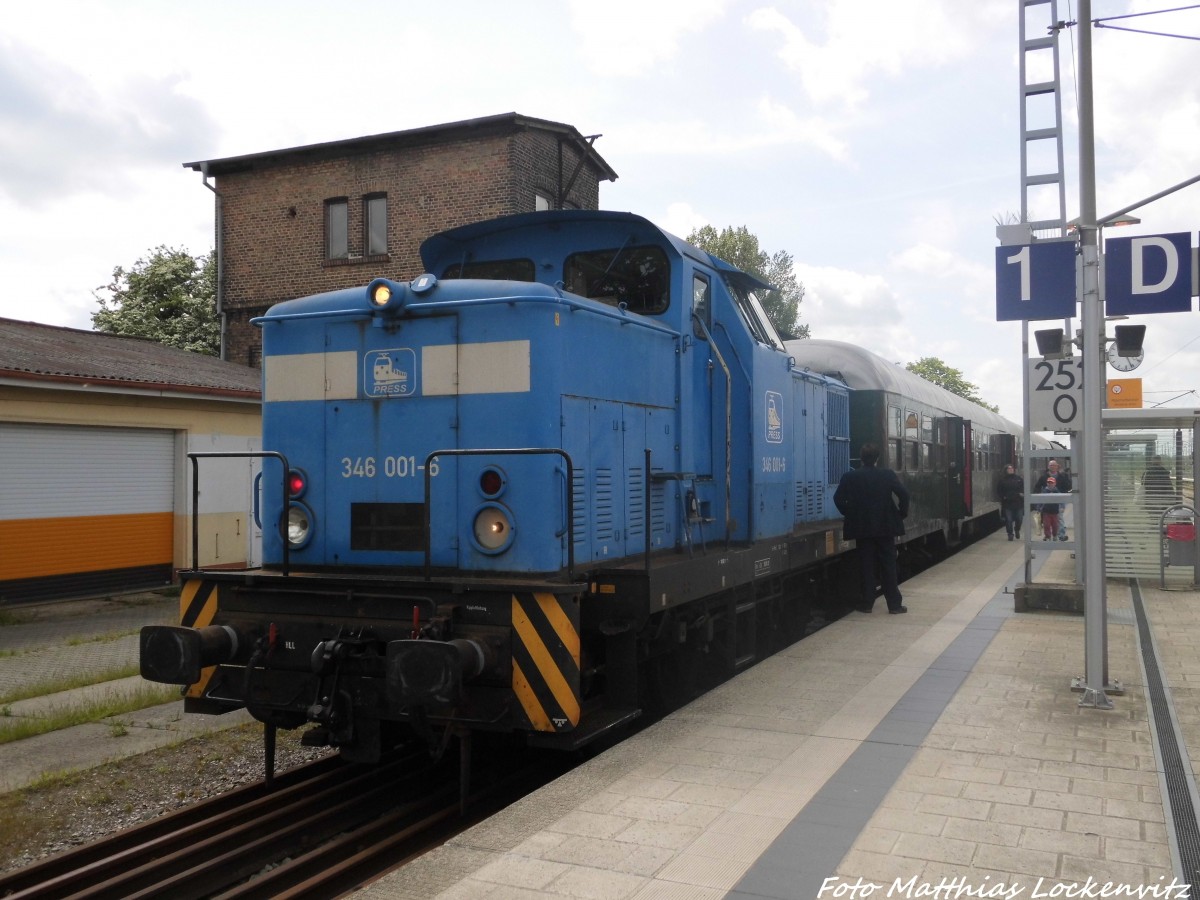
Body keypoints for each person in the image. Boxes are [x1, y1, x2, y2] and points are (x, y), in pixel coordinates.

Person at [834, 442, 910, 614]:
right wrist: (900, 514)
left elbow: (838, 499)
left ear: (861, 459)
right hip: (886, 527)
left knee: (866, 565)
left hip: (862, 528)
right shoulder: (887, 475)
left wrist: (850, 514)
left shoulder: (850, 477)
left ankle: (867, 603)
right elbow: (904, 494)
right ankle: (894, 605)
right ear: (877, 458)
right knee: (888, 565)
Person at [1035, 459, 1072, 541]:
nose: (1052, 467)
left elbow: (1068, 486)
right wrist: (1038, 498)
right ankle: (1048, 535)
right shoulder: (1044, 477)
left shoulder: (1062, 476)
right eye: (1051, 465)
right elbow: (1037, 487)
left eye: (1054, 465)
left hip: (1059, 501)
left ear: (1057, 467)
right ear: (1048, 467)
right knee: (1047, 521)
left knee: (1059, 518)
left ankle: (1061, 535)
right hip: (1047, 502)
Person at [997, 463, 1024, 541]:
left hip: (1018, 502)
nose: (1011, 469)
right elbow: (999, 490)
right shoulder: (1002, 480)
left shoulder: (1019, 479)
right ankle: (1010, 534)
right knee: (1008, 519)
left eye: (1012, 468)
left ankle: (1017, 529)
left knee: (1019, 518)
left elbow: (1023, 487)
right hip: (1008, 503)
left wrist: (1021, 494)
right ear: (1006, 470)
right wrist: (1003, 497)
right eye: (1009, 469)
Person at [1037, 475, 1061, 541]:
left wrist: (1062, 507)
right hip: (1046, 511)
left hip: (1055, 511)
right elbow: (1040, 500)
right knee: (1046, 525)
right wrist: (1039, 508)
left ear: (1055, 483)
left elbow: (1061, 499)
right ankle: (1047, 536)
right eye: (1049, 483)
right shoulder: (1044, 491)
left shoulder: (1057, 491)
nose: (1050, 484)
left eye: (1052, 483)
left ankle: (1055, 535)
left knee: (1055, 525)